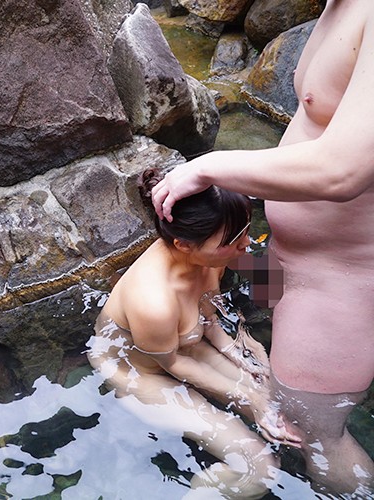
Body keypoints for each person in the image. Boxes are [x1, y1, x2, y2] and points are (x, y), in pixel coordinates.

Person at [150, 1, 374, 495]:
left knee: (315, 435)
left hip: (339, 284)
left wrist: (208, 167)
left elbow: (344, 170)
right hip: (295, 264)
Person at [87, 169, 301, 497]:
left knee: (284, 409)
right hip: (141, 372)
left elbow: (209, 318)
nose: (246, 244)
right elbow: (173, 363)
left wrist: (245, 353)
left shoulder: (211, 252)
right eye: (234, 240)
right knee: (258, 469)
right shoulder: (153, 302)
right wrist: (250, 397)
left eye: (245, 230)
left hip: (187, 345)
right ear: (183, 244)